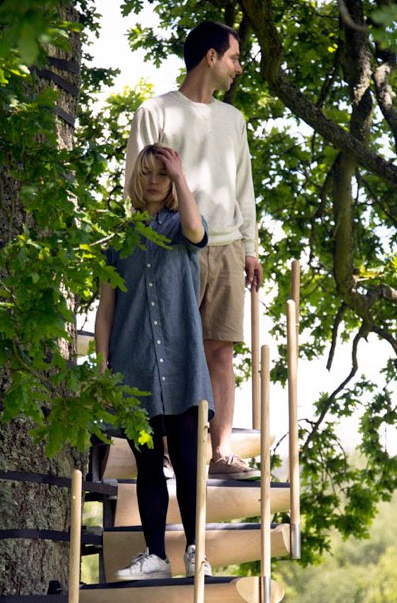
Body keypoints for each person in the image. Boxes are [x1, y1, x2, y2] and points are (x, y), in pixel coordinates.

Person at [125, 20, 263, 479]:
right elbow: (136, 182)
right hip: (169, 248)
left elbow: (244, 188)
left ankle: (219, 450)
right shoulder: (155, 111)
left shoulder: (234, 119)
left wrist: (250, 248)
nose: (238, 68)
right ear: (210, 56)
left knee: (220, 351)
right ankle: (168, 449)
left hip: (224, 247)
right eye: (234, 58)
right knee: (169, 346)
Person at [95, 144, 213, 579]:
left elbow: (198, 232)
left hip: (181, 365)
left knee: (185, 461)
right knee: (147, 465)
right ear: (136, 179)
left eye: (162, 176)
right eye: (147, 174)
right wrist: (103, 363)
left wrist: (182, 176)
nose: (153, 182)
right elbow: (106, 308)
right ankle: (155, 556)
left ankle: (196, 548)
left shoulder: (182, 229)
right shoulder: (118, 240)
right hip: (135, 366)